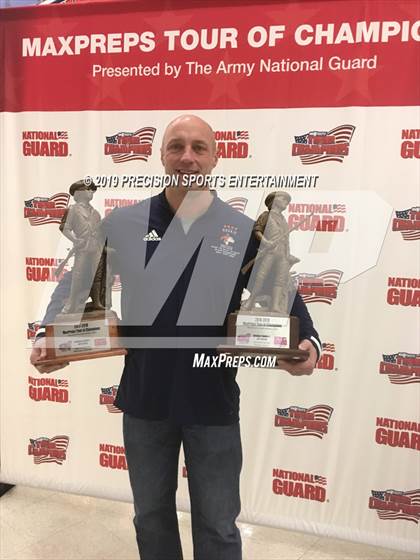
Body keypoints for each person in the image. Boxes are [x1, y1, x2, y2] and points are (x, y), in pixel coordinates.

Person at [31, 115, 321, 560]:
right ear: (161, 156)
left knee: (219, 525)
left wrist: (308, 342)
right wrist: (48, 336)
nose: (188, 156)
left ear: (216, 158)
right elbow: (78, 280)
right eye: (177, 146)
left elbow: (279, 284)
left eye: (199, 147)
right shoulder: (124, 223)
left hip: (213, 401)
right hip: (145, 401)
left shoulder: (242, 229)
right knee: (150, 518)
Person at [242, 191, 299, 314]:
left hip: (283, 254)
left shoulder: (283, 220)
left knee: (280, 280)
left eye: (287, 201)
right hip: (270, 252)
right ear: (274, 200)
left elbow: (286, 239)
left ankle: (275, 305)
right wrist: (266, 242)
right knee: (261, 276)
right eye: (283, 199)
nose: (286, 202)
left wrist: (288, 254)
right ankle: (250, 301)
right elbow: (257, 230)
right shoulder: (266, 215)